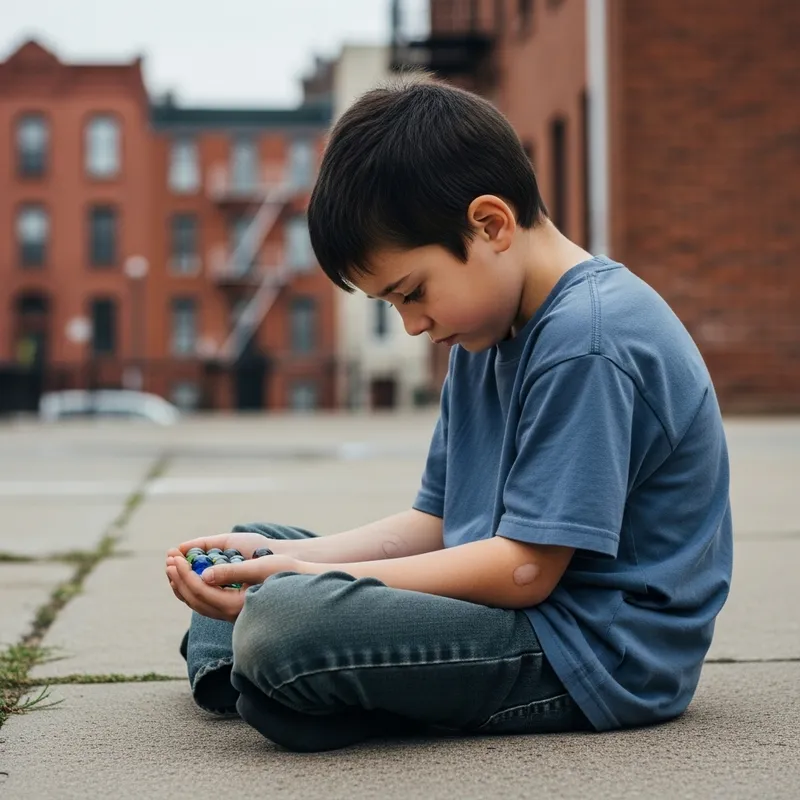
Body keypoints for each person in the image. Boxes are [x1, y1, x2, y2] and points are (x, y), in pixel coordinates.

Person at [165, 74, 733, 753]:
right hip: (512, 605)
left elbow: (525, 571)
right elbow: (437, 524)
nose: (410, 324)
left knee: (283, 620)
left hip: (593, 652)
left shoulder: (589, 340)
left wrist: (301, 583)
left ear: (489, 224)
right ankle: (273, 680)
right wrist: (280, 556)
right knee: (250, 542)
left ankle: (285, 672)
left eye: (412, 292)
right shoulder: (483, 328)